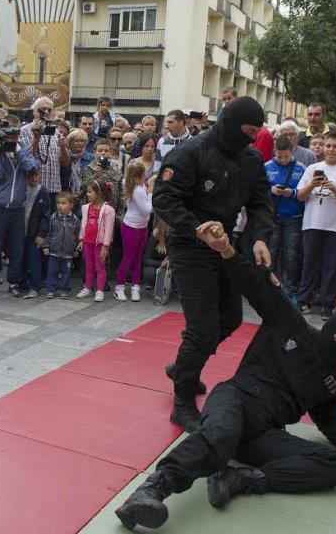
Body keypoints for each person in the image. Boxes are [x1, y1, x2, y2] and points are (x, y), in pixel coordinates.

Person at [114, 221, 336, 532]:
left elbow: (329, 420)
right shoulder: (291, 324)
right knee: (222, 435)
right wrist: (225, 249)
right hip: (234, 400)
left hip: (262, 434)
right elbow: (256, 286)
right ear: (329, 332)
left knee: (334, 466)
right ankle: (149, 493)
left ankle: (238, 479)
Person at [153, 96, 274, 429]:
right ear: (229, 124)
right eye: (246, 131)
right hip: (190, 243)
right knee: (202, 328)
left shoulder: (251, 159)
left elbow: (261, 203)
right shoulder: (192, 152)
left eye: (255, 133)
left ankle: (183, 368)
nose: (250, 139)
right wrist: (196, 228)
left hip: (225, 244)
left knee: (231, 318)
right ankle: (183, 400)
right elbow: (163, 199)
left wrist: (262, 237)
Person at [297, 132, 336, 320]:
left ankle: (327, 302)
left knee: (331, 266)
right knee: (309, 263)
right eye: (328, 146)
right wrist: (312, 185)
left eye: (335, 146)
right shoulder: (313, 168)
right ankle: (304, 299)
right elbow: (300, 196)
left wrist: (333, 188)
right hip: (312, 223)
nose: (331, 150)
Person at [0, 127, 40, 301]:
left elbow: (31, 168)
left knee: (17, 247)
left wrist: (18, 151)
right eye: (7, 136)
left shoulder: (25, 148)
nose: (11, 138)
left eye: (14, 135)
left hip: (17, 208)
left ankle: (14, 283)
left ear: (18, 135)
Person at [264, 137, 306, 301]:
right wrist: (271, 189)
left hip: (293, 217)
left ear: (292, 152)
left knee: (292, 254)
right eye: (279, 156)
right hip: (273, 216)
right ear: (275, 151)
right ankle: (270, 285)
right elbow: (260, 188)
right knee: (271, 253)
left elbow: (305, 190)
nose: (282, 160)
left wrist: (292, 193)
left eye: (286, 157)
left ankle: (291, 288)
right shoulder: (267, 167)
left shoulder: (301, 168)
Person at [115, 160, 153, 302]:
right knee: (129, 258)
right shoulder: (137, 189)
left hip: (141, 227)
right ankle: (119, 287)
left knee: (138, 258)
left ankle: (136, 286)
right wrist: (150, 194)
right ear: (141, 174)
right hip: (132, 227)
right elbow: (147, 210)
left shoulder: (132, 183)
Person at [77, 180, 115, 301]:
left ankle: (100, 290)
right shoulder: (86, 208)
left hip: (100, 244)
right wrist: (81, 239)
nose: (87, 194)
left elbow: (109, 229)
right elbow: (84, 224)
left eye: (89, 192)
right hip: (88, 242)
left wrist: (106, 245)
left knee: (100, 267)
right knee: (89, 266)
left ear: (98, 193)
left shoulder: (108, 210)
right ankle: (87, 288)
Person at [44, 191, 81, 297]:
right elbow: (48, 233)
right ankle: (51, 289)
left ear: (71, 205)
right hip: (54, 251)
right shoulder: (53, 218)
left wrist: (76, 250)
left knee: (66, 272)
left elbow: (77, 235)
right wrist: (46, 246)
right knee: (52, 271)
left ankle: (64, 289)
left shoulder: (75, 220)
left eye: (63, 203)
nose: (60, 206)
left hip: (68, 252)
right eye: (58, 203)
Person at [22, 169, 51, 298]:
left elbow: (46, 216)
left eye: (36, 176)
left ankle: (35, 286)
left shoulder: (43, 192)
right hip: (21, 230)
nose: (34, 179)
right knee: (20, 259)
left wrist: (42, 233)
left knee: (35, 259)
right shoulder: (21, 188)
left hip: (34, 232)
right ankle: (21, 284)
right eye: (31, 176)